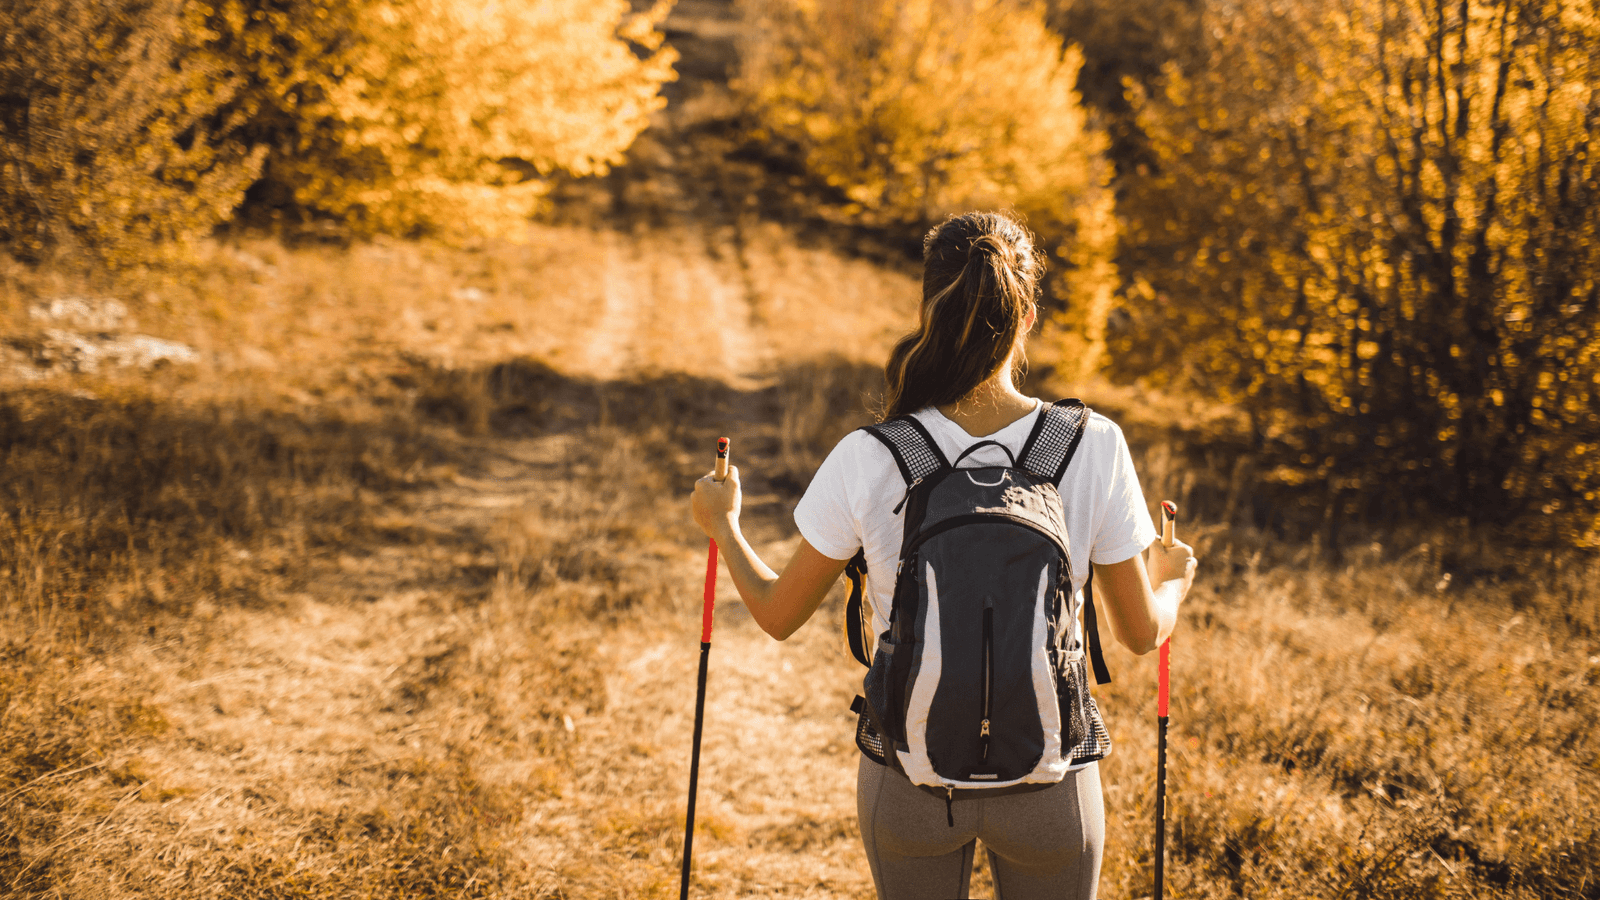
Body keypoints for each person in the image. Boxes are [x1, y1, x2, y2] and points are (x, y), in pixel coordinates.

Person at [691, 211, 1197, 900]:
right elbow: (1141, 634)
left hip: (907, 777)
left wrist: (724, 527)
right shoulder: (1092, 443)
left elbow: (778, 615)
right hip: (1053, 782)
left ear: (928, 307)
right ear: (1027, 318)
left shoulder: (873, 454)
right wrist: (1169, 584)